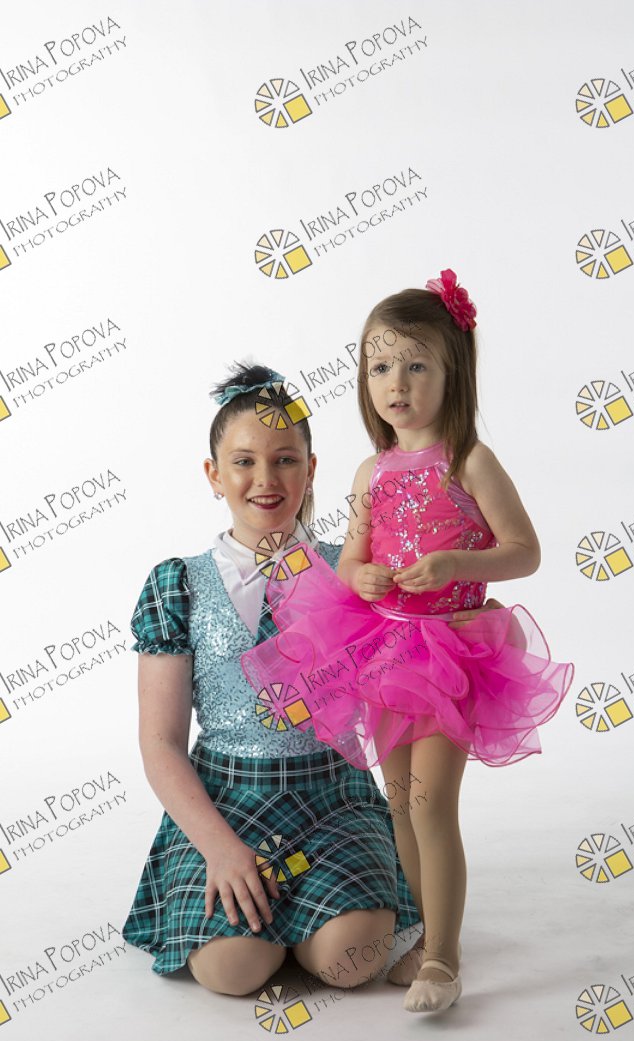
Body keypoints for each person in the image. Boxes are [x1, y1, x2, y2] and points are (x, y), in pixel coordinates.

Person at [241, 270, 574, 1015]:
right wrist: (358, 576)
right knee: (399, 805)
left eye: (417, 365)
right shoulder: (372, 471)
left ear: (453, 373)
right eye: (380, 366)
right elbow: (353, 557)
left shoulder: (469, 462)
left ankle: (446, 961)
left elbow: (524, 551)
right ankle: (424, 935)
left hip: (453, 651)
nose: (396, 382)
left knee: (431, 805)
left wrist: (458, 565)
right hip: (384, 652)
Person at [122, 364, 429, 996]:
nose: (265, 480)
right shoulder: (177, 584)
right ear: (213, 475)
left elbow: (408, 667)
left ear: (310, 470)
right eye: (243, 462)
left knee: (352, 962)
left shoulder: (351, 573)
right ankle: (271, 926)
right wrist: (221, 850)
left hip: (332, 799)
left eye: (285, 460)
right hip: (224, 803)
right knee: (232, 971)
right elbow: (160, 743)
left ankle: (312, 922)